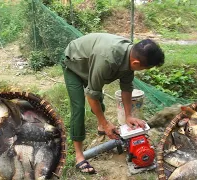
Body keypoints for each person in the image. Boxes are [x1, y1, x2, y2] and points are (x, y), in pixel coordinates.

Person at [61, 33, 165, 174]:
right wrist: (105, 123)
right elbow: (91, 96)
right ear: (136, 63)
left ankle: (101, 125)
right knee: (79, 107)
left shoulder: (130, 57)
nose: (143, 71)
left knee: (98, 94)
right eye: (144, 68)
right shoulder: (108, 60)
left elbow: (126, 88)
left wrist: (128, 116)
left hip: (92, 62)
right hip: (74, 63)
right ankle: (79, 155)